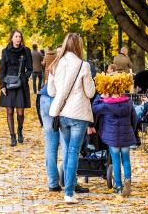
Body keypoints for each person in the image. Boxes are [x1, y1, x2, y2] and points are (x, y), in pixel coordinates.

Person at [48, 33, 95, 204]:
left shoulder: (56, 63)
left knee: (68, 151)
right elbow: (90, 92)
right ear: (78, 46)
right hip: (78, 114)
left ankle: (69, 189)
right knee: (74, 152)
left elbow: (51, 92)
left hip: (61, 114)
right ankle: (69, 192)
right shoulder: (84, 65)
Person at [38, 83, 89, 194]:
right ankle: (70, 183)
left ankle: (53, 183)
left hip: (45, 97)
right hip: (62, 100)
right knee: (67, 145)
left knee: (50, 145)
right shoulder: (74, 65)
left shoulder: (54, 65)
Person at [91, 74, 137, 197]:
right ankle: (128, 179)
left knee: (116, 160)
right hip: (126, 135)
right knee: (126, 159)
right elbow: (134, 118)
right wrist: (131, 131)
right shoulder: (128, 102)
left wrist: (100, 96)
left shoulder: (106, 104)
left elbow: (94, 108)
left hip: (113, 137)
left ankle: (118, 186)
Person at [0, 30, 33, 147]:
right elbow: (2, 69)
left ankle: (20, 130)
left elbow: (30, 68)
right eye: (16, 36)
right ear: (11, 38)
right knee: (9, 111)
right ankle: (12, 136)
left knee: (20, 112)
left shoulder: (26, 51)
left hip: (21, 84)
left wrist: (25, 78)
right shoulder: (5, 51)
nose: (18, 38)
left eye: (19, 36)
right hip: (8, 84)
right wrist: (2, 85)